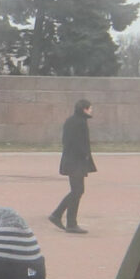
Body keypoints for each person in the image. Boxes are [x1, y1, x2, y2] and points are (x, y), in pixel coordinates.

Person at [48, 99, 96, 233]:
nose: (91, 110)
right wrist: (85, 155)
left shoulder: (71, 120)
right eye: (90, 108)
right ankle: (61, 217)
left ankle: (67, 221)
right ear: (84, 109)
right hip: (76, 161)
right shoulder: (80, 122)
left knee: (77, 190)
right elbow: (78, 142)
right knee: (77, 190)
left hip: (71, 160)